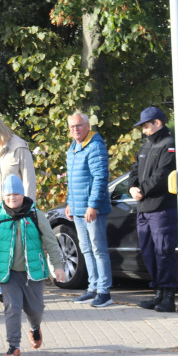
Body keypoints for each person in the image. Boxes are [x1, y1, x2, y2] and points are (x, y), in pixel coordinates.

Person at [0, 175, 64, 356]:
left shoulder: (35, 215)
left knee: (36, 309)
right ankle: (13, 346)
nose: (12, 198)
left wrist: (58, 266)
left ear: (22, 194)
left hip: (33, 272)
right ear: (3, 197)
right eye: (8, 195)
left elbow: (51, 242)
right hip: (8, 274)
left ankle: (35, 327)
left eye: (16, 194)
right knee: (12, 309)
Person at [129, 106, 178, 313]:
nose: (144, 131)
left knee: (163, 252)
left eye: (146, 126)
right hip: (144, 208)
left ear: (157, 123)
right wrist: (132, 187)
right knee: (149, 253)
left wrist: (142, 189)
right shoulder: (146, 146)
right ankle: (158, 293)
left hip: (161, 208)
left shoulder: (170, 145)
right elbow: (133, 170)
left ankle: (168, 297)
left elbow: (163, 174)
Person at [65, 112, 113, 308]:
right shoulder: (73, 147)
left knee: (98, 249)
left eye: (79, 125)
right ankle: (93, 287)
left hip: (93, 209)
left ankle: (104, 291)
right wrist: (69, 202)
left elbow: (101, 177)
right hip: (77, 209)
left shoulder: (95, 146)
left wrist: (93, 205)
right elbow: (72, 180)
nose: (75, 129)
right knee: (86, 249)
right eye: (72, 127)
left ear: (87, 125)